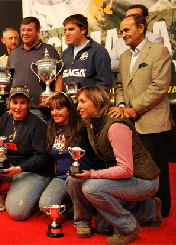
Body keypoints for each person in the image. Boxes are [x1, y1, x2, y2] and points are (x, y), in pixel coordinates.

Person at [67, 85, 161, 244]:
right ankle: (83, 222)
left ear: (96, 102)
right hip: (123, 180)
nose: (78, 106)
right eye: (78, 102)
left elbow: (126, 169)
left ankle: (130, 226)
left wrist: (92, 174)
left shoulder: (116, 126)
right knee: (74, 181)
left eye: (83, 101)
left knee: (91, 188)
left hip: (143, 180)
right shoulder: (93, 123)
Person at [110, 14, 172, 218]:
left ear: (141, 28)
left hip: (152, 121)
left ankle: (160, 211)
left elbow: (159, 87)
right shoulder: (125, 56)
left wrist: (135, 108)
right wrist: (120, 106)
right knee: (136, 169)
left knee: (156, 169)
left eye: (127, 30)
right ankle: (142, 208)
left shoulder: (159, 51)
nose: (123, 34)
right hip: (129, 121)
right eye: (121, 31)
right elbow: (119, 85)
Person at [0, 86, 54, 220]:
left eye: (23, 103)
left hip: (33, 173)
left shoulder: (37, 124)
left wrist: (18, 169)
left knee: (17, 213)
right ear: (9, 103)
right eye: (15, 102)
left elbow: (43, 157)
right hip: (11, 168)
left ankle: (33, 193)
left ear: (28, 104)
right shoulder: (6, 117)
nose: (18, 107)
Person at [0, 17, 63, 122]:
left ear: (38, 31)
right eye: (23, 30)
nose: (25, 33)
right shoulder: (14, 53)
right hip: (17, 109)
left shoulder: (49, 50)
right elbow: (6, 78)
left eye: (29, 30)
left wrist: (57, 96)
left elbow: (59, 76)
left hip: (40, 109)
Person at [38, 92, 97, 210]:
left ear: (70, 110)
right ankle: (80, 206)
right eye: (52, 109)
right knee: (45, 206)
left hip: (82, 176)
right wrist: (12, 114)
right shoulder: (49, 127)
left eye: (59, 108)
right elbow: (32, 124)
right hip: (61, 178)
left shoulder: (82, 126)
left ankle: (84, 204)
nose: (55, 113)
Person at [61, 14, 112, 89]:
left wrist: (89, 99)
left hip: (89, 100)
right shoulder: (65, 53)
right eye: (65, 30)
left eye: (71, 29)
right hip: (68, 100)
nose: (67, 34)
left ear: (83, 30)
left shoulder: (98, 51)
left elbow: (105, 84)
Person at [110, 4, 164, 73]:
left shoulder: (155, 39)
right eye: (128, 17)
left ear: (146, 19)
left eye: (135, 16)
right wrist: (136, 60)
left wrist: (123, 62)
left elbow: (150, 63)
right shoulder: (119, 42)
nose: (130, 19)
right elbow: (110, 65)